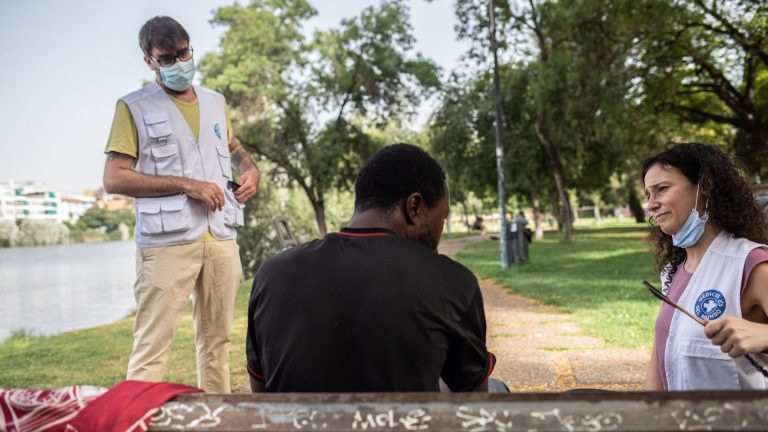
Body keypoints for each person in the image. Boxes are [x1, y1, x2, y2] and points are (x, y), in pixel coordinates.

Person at [245, 144, 496, 392]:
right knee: (496, 388)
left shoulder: (270, 275)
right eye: (442, 217)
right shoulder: (452, 281)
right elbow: (474, 406)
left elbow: (260, 389)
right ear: (415, 207)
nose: (441, 228)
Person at [103, 16, 260, 393]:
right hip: (166, 241)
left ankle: (217, 420)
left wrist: (251, 169)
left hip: (221, 236)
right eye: (167, 58)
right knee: (152, 347)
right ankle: (137, 419)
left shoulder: (215, 102)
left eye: (183, 53)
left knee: (218, 345)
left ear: (191, 49)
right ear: (149, 61)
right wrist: (185, 184)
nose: (178, 63)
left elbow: (236, 152)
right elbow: (114, 178)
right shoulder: (133, 107)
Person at [642, 143, 768, 390]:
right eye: (648, 194)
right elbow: (660, 354)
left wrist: (764, 336)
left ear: (704, 188)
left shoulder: (751, 264)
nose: (650, 204)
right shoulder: (674, 270)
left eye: (662, 189)